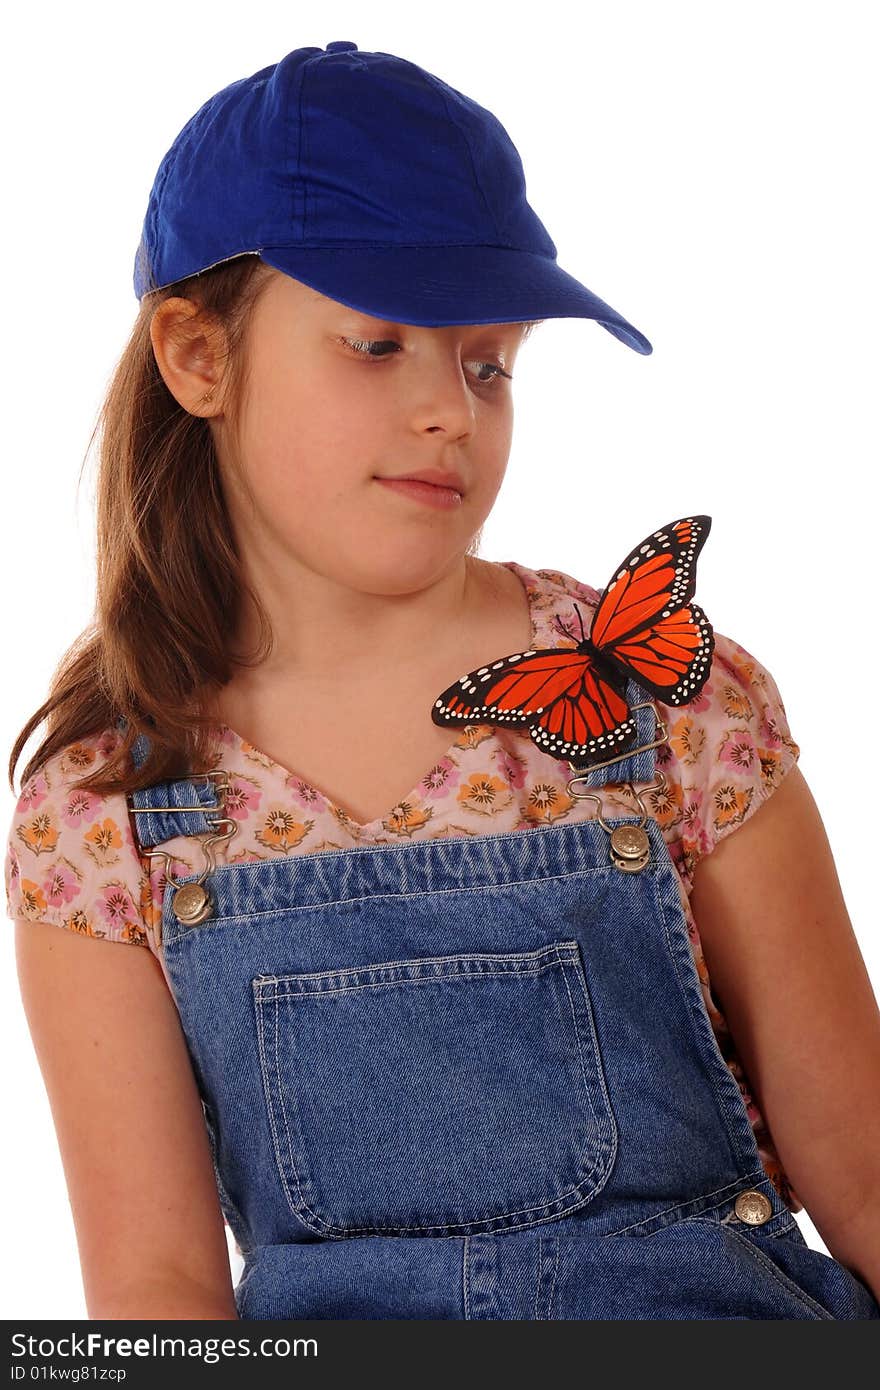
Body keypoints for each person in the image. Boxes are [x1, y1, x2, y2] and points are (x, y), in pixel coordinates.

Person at [5, 40, 879, 1322]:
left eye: (488, 364)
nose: (451, 414)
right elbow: (159, 1293)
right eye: (375, 344)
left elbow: (859, 1171)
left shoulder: (665, 705)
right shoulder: (108, 812)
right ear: (199, 358)